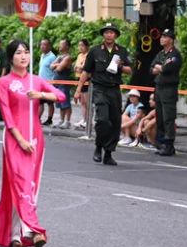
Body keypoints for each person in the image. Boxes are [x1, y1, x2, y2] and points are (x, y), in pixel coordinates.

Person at [0, 39, 65, 247]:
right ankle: (33, 230)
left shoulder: (36, 81)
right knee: (20, 182)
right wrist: (20, 140)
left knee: (30, 185)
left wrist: (41, 95)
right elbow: (6, 114)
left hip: (35, 137)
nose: (24, 56)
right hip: (15, 137)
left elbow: (60, 95)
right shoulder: (4, 82)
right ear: (10, 57)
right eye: (19, 53)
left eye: (26, 52)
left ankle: (17, 233)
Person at [74, 22, 131, 166]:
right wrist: (78, 90)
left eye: (112, 32)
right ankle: (98, 146)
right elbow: (86, 71)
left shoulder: (121, 51)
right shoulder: (95, 51)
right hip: (99, 89)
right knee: (102, 120)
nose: (109, 35)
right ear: (103, 35)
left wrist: (121, 66)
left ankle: (108, 153)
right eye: (106, 32)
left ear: (116, 35)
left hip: (114, 89)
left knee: (115, 122)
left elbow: (130, 70)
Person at [151, 29, 182, 156]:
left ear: (171, 39)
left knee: (168, 118)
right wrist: (159, 68)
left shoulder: (174, 54)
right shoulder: (160, 54)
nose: (162, 39)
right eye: (162, 37)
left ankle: (169, 145)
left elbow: (166, 68)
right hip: (159, 89)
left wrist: (160, 68)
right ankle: (161, 143)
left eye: (165, 37)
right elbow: (152, 68)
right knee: (160, 117)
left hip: (169, 90)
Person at [51, 40, 74, 129]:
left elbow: (59, 69)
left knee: (66, 102)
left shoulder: (68, 58)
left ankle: (67, 121)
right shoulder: (59, 57)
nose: (59, 46)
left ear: (67, 47)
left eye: (61, 45)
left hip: (64, 83)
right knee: (60, 102)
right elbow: (51, 66)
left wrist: (57, 65)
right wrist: (58, 64)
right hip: (57, 84)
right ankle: (61, 120)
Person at [37, 39, 57, 126]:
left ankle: (49, 119)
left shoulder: (52, 57)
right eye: (41, 45)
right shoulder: (42, 55)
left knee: (50, 102)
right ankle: (38, 118)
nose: (42, 46)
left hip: (49, 83)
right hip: (41, 83)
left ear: (49, 46)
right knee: (40, 102)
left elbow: (54, 70)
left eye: (44, 45)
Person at [72, 39, 91, 129]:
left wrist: (81, 68)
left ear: (87, 46)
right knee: (82, 101)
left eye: (82, 45)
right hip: (78, 78)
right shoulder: (79, 55)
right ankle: (84, 119)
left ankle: (88, 121)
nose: (80, 47)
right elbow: (76, 67)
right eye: (79, 45)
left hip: (86, 79)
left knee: (87, 101)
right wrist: (78, 68)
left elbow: (85, 68)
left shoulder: (89, 55)